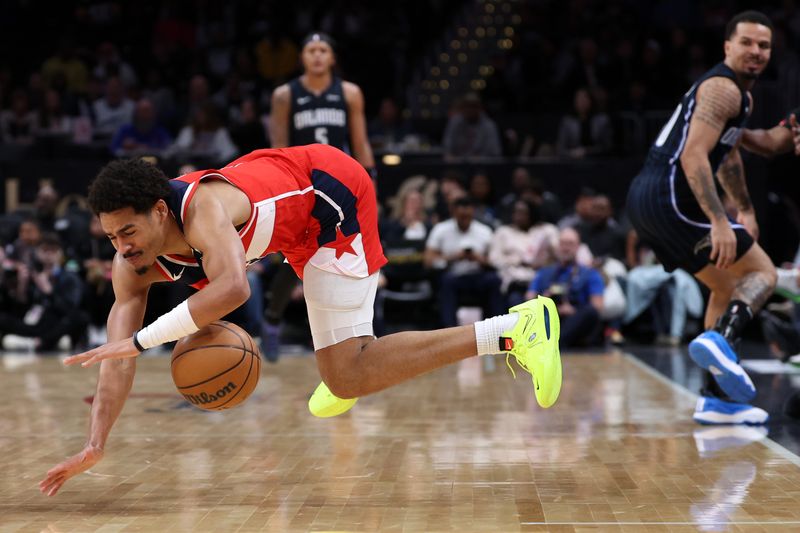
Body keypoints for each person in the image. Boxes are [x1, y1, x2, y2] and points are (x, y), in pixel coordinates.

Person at [38, 145, 561, 496]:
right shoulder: (130, 264)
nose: (121, 247)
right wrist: (95, 443)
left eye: (127, 231)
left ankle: (516, 330)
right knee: (344, 368)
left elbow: (232, 289)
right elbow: (116, 356)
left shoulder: (202, 211)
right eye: (110, 237)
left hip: (331, 196)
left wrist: (143, 339)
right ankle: (346, 369)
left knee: (347, 372)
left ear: (158, 211)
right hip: (291, 223)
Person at [625, 11, 777, 425]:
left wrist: (743, 207)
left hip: (651, 198)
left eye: (763, 45)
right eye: (746, 42)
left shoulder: (741, 98)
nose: (756, 51)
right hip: (671, 195)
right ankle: (721, 341)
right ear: (727, 46)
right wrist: (720, 220)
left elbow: (726, 154)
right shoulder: (722, 88)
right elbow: (694, 154)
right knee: (763, 274)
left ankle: (717, 401)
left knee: (725, 284)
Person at [265, 32, 377, 359]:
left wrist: (371, 185)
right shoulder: (285, 95)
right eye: (311, 50)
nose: (316, 56)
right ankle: (272, 322)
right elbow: (278, 148)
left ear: (332, 57)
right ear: (302, 57)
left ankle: (363, 329)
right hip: (301, 185)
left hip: (340, 184)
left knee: (356, 254)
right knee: (292, 259)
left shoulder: (349, 93)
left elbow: (361, 143)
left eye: (323, 50)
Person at [526, 227, 604, 348]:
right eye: (562, 243)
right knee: (517, 302)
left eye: (570, 244)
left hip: (574, 319)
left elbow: (597, 306)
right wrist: (543, 301)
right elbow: (529, 298)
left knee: (590, 313)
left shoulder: (589, 273)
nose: (566, 248)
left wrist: (573, 310)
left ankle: (554, 343)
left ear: (578, 247)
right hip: (547, 317)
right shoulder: (544, 272)